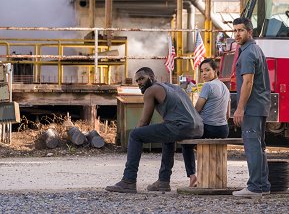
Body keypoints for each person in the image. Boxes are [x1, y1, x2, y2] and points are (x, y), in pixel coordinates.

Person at [105, 67, 203, 193]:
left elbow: (144, 122)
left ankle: (128, 181)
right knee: (166, 135)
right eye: (137, 81)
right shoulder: (174, 87)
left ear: (151, 77)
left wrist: (135, 134)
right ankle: (163, 181)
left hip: (181, 127)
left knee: (135, 135)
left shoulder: (151, 91)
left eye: (141, 79)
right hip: (198, 128)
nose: (139, 82)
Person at [231, 17, 271, 198]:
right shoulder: (254, 49)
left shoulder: (247, 53)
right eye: (235, 31)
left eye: (241, 30)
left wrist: (239, 109)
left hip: (252, 107)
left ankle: (255, 187)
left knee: (252, 146)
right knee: (259, 147)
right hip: (260, 105)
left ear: (250, 32)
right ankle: (263, 185)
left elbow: (248, 82)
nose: (237, 34)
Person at [181, 58, 230, 187]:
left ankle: (192, 176)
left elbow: (197, 109)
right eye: (202, 71)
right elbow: (227, 114)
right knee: (200, 143)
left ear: (215, 71)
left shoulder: (208, 86)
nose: (204, 74)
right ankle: (212, 174)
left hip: (209, 128)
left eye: (207, 70)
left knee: (186, 143)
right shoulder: (225, 87)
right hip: (224, 129)